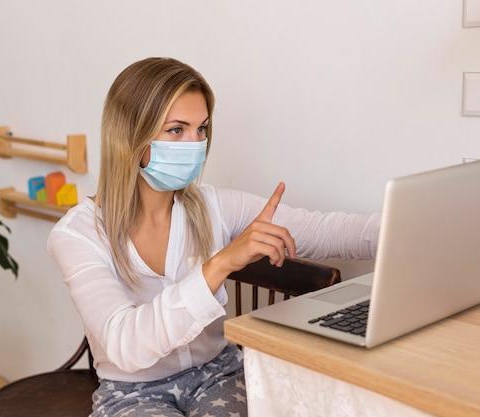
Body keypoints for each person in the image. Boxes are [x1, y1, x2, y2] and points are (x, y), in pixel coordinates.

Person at [47, 57, 380, 417]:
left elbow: (328, 231)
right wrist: (219, 264)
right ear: (130, 136)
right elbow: (125, 344)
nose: (195, 144)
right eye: (177, 130)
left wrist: (414, 227)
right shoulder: (78, 234)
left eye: (201, 129)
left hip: (220, 374)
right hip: (132, 393)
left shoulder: (215, 206)